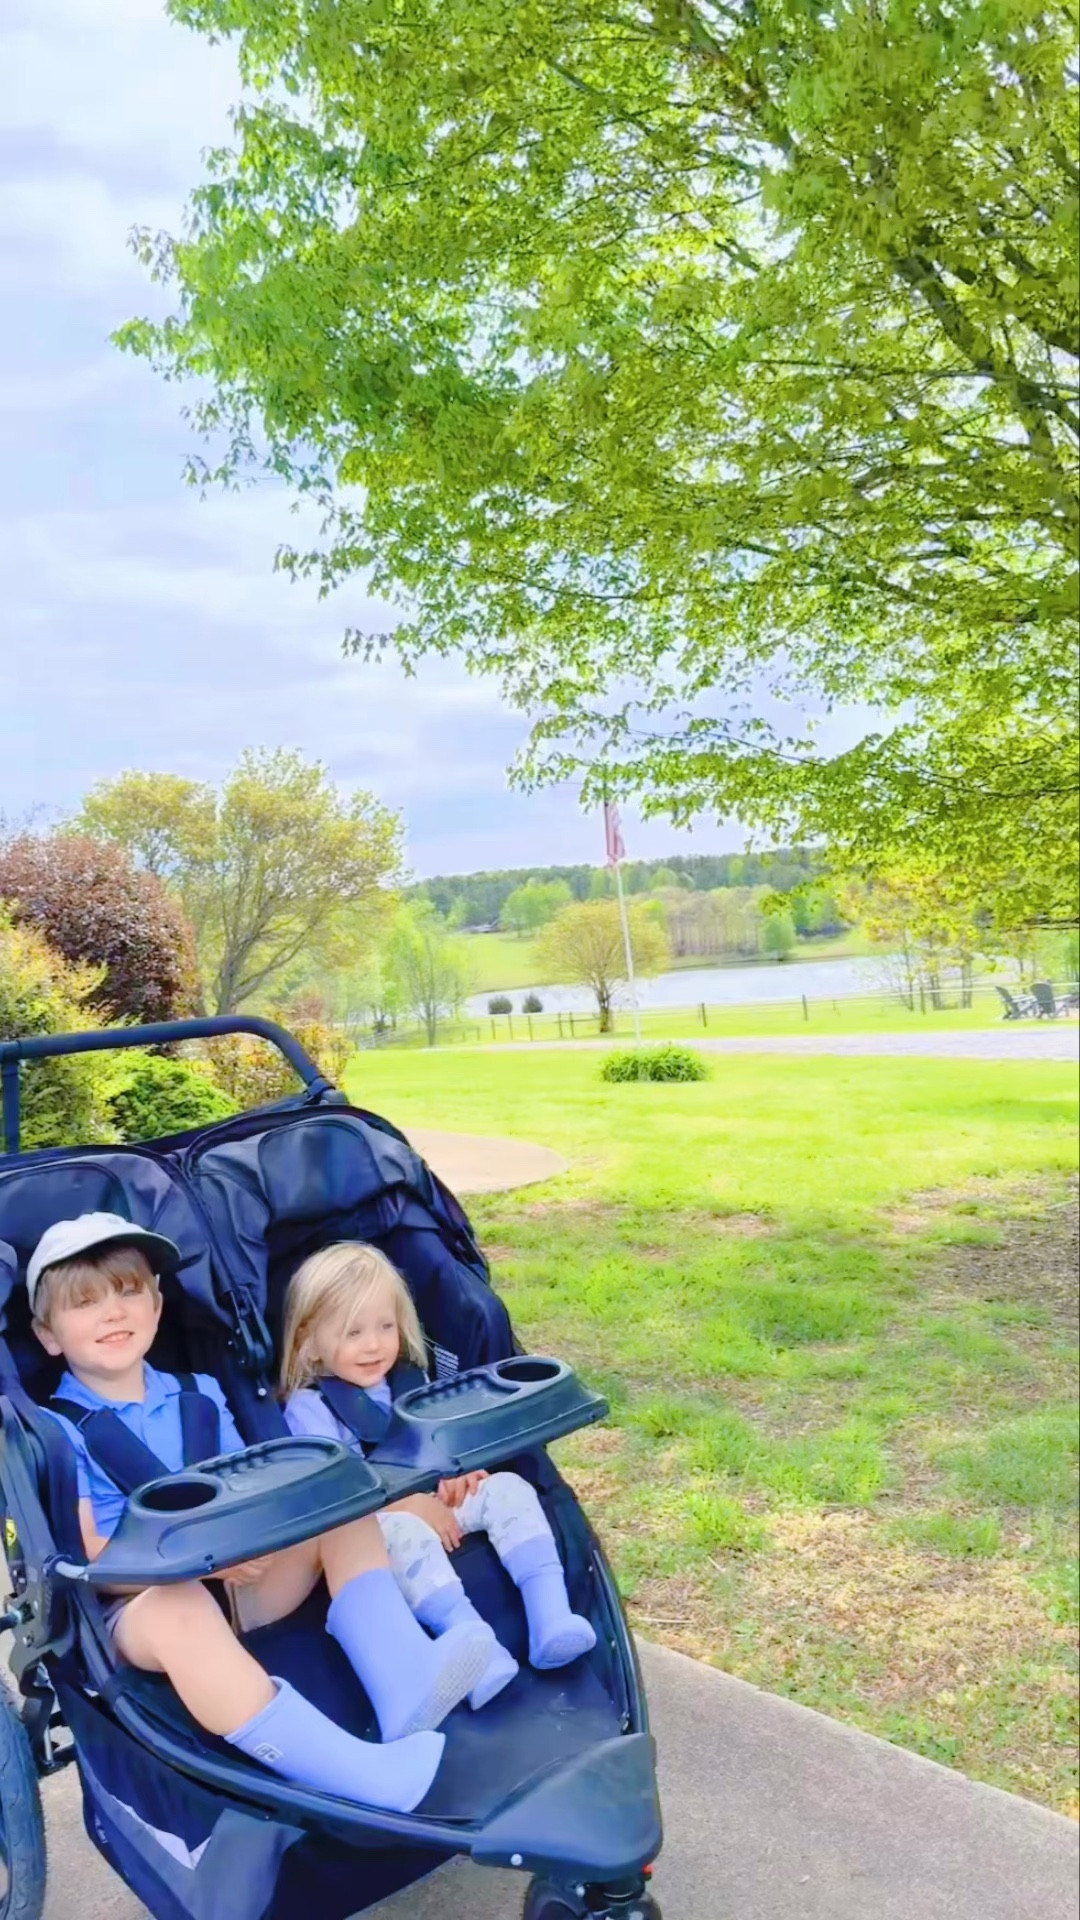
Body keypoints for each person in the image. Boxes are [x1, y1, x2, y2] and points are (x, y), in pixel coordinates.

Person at [29, 1213, 495, 1813]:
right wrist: (198, 1566)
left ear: (157, 1305)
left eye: (128, 1292)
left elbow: (250, 1489)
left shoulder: (200, 1392)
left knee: (339, 1509)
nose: (114, 1313)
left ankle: (401, 1677)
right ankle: (355, 1773)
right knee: (181, 1606)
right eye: (86, 1303)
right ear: (48, 1334)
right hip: (143, 1607)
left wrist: (257, 1543)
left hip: (243, 1579)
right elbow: (91, 1560)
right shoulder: (55, 1431)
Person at [281, 1241, 596, 1710]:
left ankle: (550, 1614)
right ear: (309, 1339)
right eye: (353, 1332)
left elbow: (442, 1443)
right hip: (371, 1525)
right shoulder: (311, 1409)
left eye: (385, 1327)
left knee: (509, 1488)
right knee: (406, 1531)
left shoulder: (411, 1384)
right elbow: (331, 1494)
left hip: (436, 1498)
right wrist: (405, 1502)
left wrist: (460, 1473)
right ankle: (473, 1645)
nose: (374, 1344)